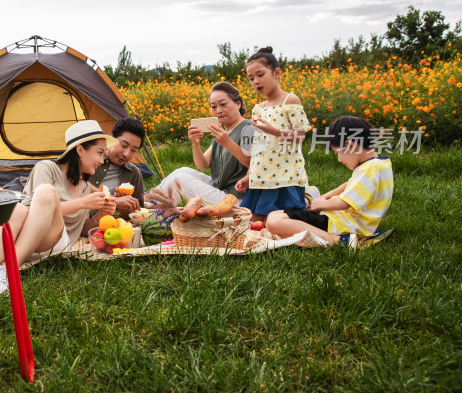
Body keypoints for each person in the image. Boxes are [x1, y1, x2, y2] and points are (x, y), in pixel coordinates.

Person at [0, 120, 117, 314]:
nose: (102, 161)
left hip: (54, 241)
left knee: (43, 192)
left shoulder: (87, 190)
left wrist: (102, 213)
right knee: (20, 208)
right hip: (23, 233)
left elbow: (83, 229)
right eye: (100, 153)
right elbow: (35, 209)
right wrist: (83, 203)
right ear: (80, 150)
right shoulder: (47, 168)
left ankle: (9, 270)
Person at [265, 116, 394, 246]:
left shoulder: (369, 169)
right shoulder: (379, 164)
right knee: (274, 215)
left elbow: (343, 203)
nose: (339, 159)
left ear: (349, 145)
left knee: (274, 222)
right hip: (343, 220)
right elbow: (350, 185)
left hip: (343, 224)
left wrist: (321, 205)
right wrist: (325, 197)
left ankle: (338, 241)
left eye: (337, 152)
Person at [236, 47, 312, 222]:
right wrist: (249, 175)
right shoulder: (258, 108)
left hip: (285, 176)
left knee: (281, 221)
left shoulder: (290, 101)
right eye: (251, 78)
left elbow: (300, 136)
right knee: (253, 222)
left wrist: (274, 131)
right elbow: (258, 146)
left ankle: (310, 201)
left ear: (277, 72)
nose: (256, 81)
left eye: (260, 75)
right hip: (261, 176)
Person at [156, 82, 254, 205]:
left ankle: (150, 208)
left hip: (236, 199)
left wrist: (227, 143)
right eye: (213, 107)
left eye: (223, 104)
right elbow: (202, 164)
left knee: (180, 180)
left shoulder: (248, 127)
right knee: (183, 171)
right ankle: (149, 201)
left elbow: (254, 163)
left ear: (238, 103)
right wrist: (195, 143)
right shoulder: (222, 134)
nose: (218, 110)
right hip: (221, 190)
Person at [88, 117, 147, 218]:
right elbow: (78, 183)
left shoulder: (133, 173)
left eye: (133, 150)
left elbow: (135, 215)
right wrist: (113, 199)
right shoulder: (90, 158)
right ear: (110, 138)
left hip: (102, 225)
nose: (126, 154)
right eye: (124, 145)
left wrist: (124, 206)